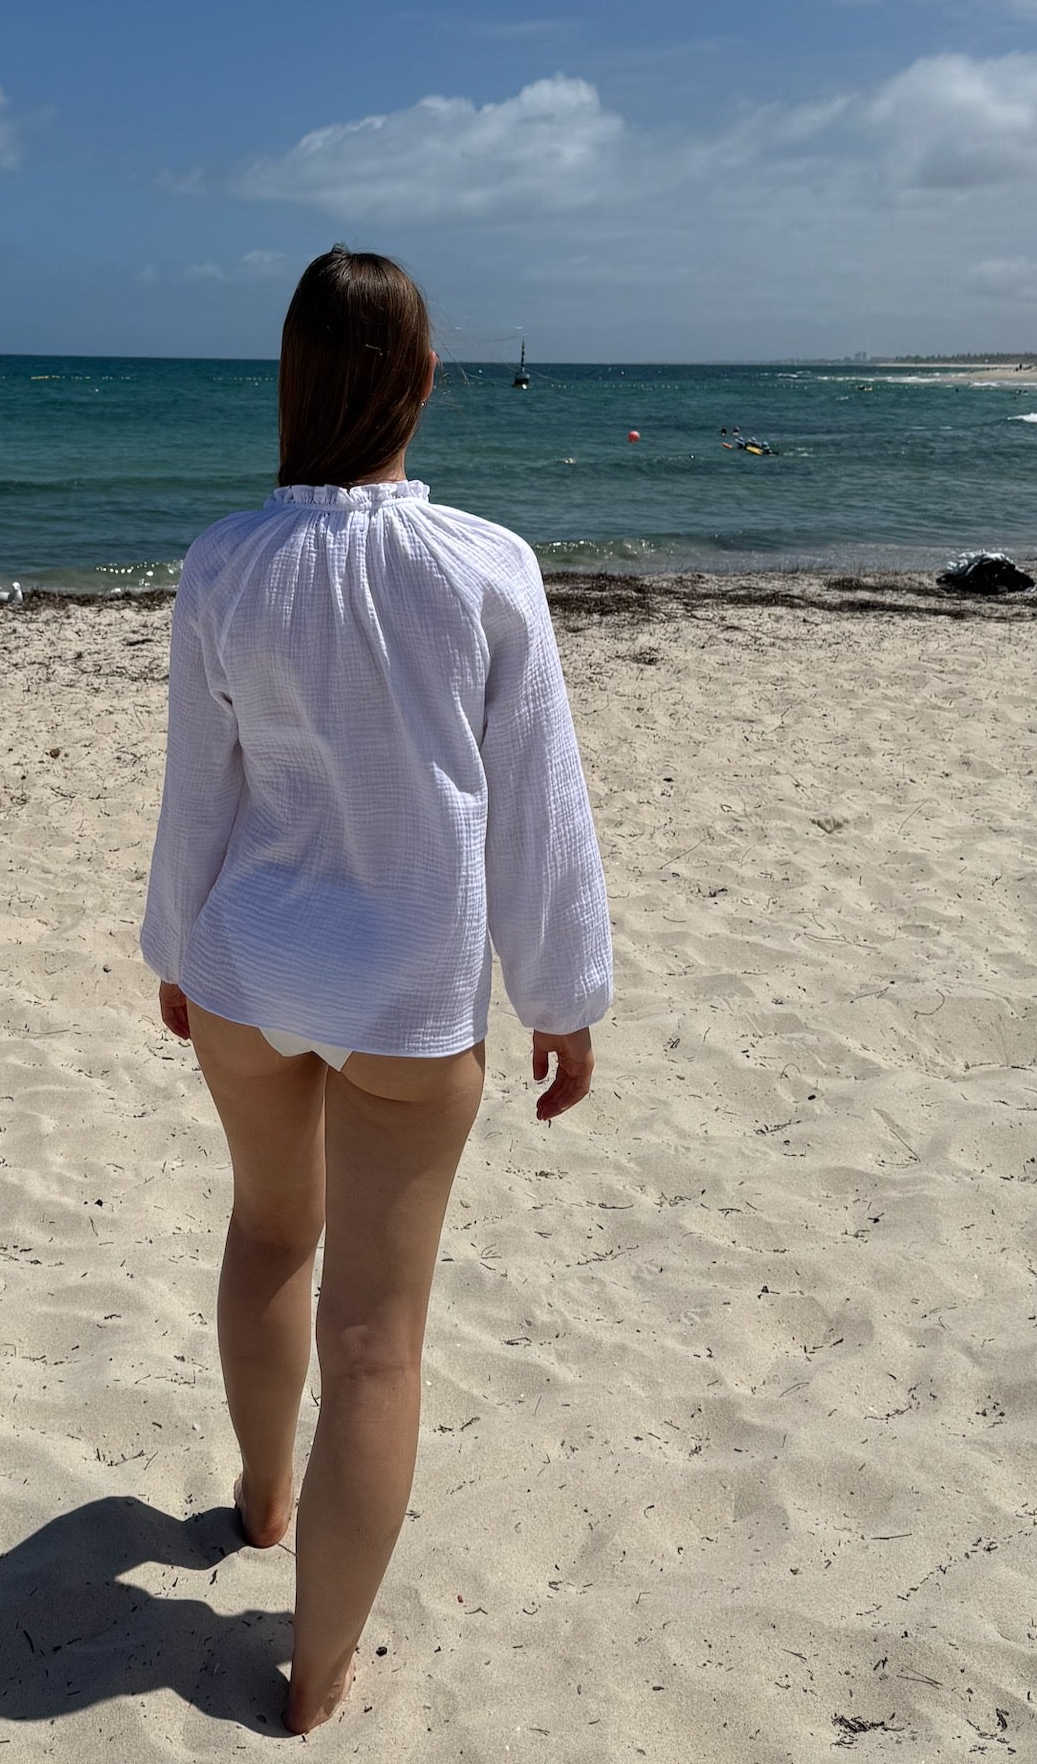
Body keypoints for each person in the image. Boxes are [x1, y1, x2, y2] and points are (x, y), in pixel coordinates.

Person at [142, 247, 611, 1734]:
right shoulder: (484, 566)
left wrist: (174, 950)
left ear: (293, 382)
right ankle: (319, 1672)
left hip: (248, 966)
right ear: (418, 383)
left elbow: (196, 796)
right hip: (408, 987)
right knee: (377, 1339)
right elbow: (540, 808)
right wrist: (563, 991)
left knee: (268, 1230)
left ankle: (262, 1500)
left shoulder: (225, 562)